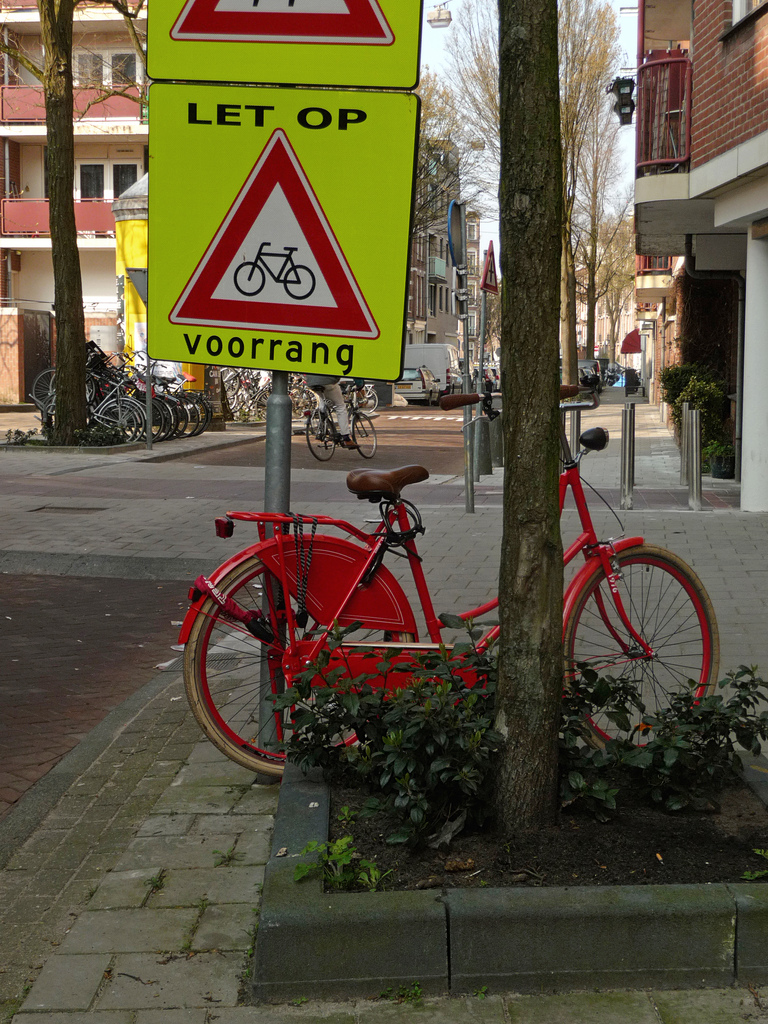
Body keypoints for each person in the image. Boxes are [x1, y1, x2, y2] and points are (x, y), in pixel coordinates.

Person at [304, 373, 358, 449]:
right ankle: (346, 438)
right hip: (328, 381)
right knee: (340, 407)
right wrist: (359, 383)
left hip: (311, 382)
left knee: (323, 398)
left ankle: (322, 425)